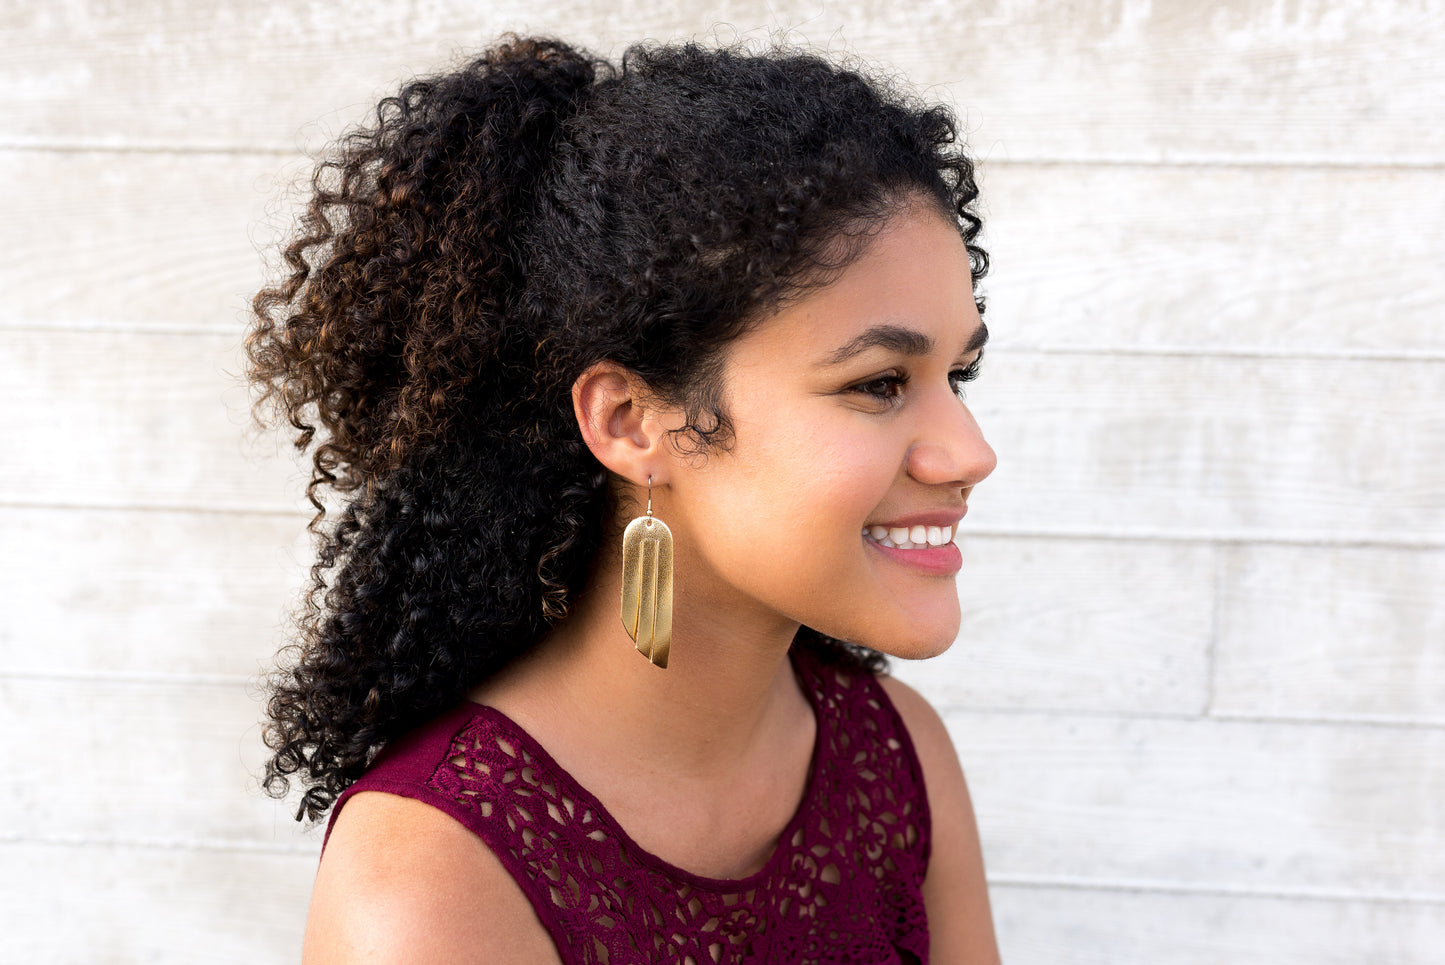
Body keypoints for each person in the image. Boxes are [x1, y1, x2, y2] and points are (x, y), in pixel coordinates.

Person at [247, 34, 1001, 964]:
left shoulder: (897, 757)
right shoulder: (437, 874)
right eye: (879, 382)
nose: (971, 452)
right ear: (633, 421)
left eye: (955, 374)